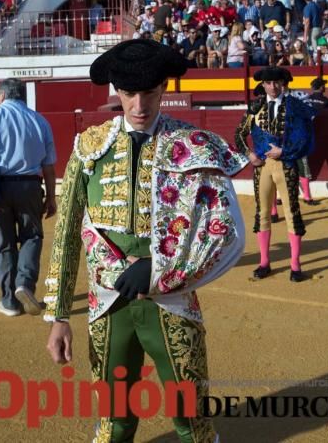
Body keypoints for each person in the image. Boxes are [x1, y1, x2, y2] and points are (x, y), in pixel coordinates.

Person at [44, 39, 247, 443]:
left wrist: (160, 269)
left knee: (192, 421)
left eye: (150, 94)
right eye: (129, 94)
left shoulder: (193, 145)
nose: (139, 106)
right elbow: (66, 231)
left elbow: (227, 231)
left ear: (164, 89)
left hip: (172, 301)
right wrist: (59, 316)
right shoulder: (89, 146)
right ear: (115, 91)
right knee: (113, 422)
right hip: (107, 305)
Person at [0, 78, 57, 317]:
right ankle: (25, 284)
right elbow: (49, 168)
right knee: (32, 236)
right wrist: (51, 197)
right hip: (30, 186)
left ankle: (9, 302)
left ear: (1, 96)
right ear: (23, 97)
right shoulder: (40, 121)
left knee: (5, 243)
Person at [235, 66, 315, 282]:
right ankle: (264, 262)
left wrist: (285, 151)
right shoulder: (255, 107)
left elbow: (305, 138)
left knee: (292, 213)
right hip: (262, 167)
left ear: (284, 83)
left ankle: (295, 265)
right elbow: (239, 134)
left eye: (277, 82)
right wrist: (250, 154)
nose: (272, 86)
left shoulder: (295, 107)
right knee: (262, 213)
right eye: (268, 82)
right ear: (262, 84)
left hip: (286, 165)